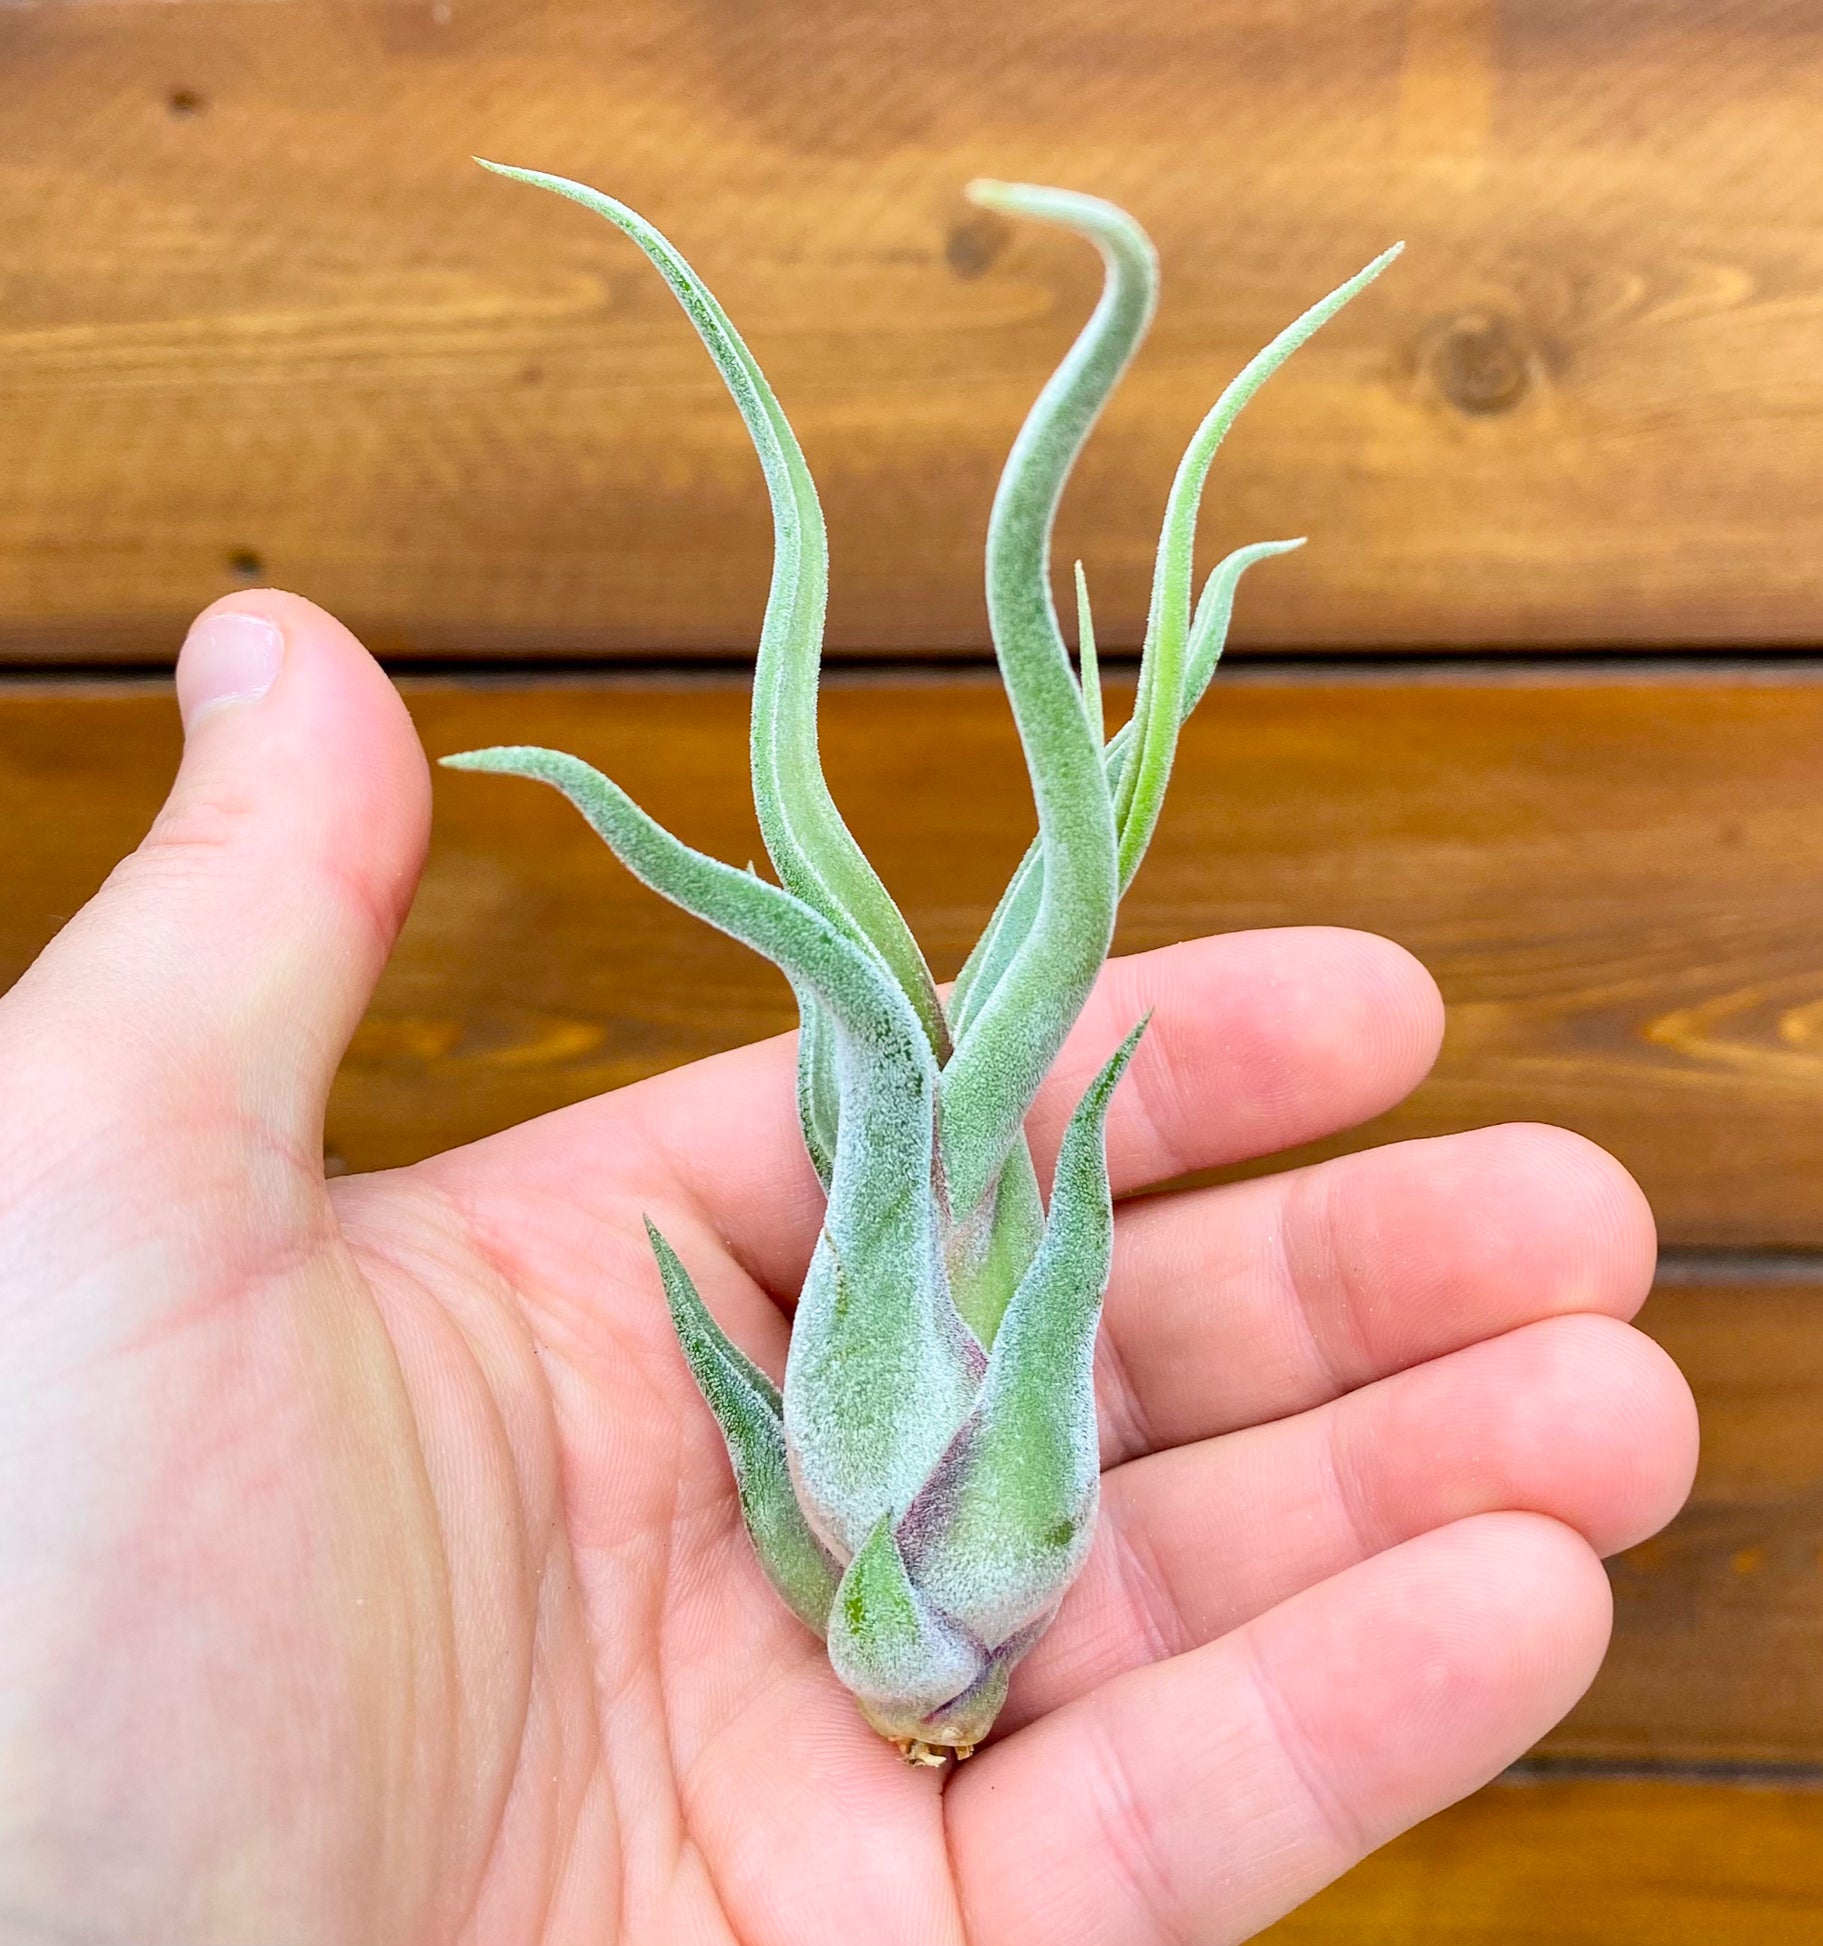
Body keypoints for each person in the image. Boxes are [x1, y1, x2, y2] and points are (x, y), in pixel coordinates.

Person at [0, 593, 1697, 1944]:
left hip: (889, 1591)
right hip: (886, 1598)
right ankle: (1162, 624)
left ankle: (1157, 625)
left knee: (909, 1040)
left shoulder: (881, 1466)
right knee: (936, 1033)